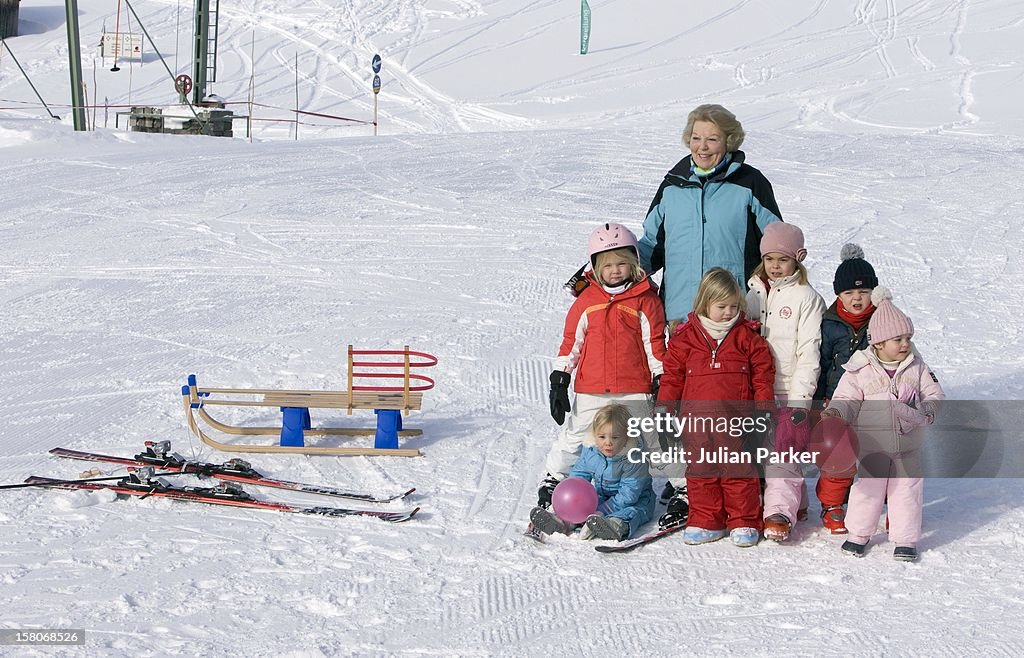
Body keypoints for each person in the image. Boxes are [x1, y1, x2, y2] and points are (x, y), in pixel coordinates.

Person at [539, 223, 666, 508]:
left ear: (634, 262)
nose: (615, 271)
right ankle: (554, 478)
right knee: (574, 434)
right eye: (608, 265)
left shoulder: (646, 299)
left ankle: (682, 487)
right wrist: (560, 379)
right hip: (592, 387)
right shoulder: (586, 300)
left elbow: (655, 344)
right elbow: (572, 342)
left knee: (656, 435)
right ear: (595, 266)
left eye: (622, 263)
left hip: (635, 385)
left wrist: (661, 379)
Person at [823, 288, 944, 562]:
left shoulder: (917, 367)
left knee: (906, 493)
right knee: (867, 490)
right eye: (897, 339)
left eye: (907, 338)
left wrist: (925, 411)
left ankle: (905, 539)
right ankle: (858, 534)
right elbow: (846, 397)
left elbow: (936, 395)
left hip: (908, 446)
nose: (905, 344)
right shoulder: (860, 368)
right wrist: (836, 414)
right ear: (877, 343)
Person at [656, 268, 775, 547]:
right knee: (701, 473)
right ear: (704, 304)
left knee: (738, 472)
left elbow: (762, 376)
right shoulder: (685, 340)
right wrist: (664, 412)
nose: (727, 312)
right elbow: (672, 378)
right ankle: (706, 520)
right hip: (696, 424)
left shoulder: (747, 338)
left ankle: (743, 520)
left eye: (734, 306)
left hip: (736, 422)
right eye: (721, 307)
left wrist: (764, 411)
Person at [637, 104, 783, 326]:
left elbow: (777, 243)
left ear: (729, 141)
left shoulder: (750, 184)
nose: (702, 147)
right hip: (680, 314)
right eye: (696, 138)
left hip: (732, 312)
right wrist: (613, 264)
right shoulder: (672, 185)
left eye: (712, 139)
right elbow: (651, 245)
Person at [745, 223, 826, 542]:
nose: (775, 266)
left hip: (789, 387)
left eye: (783, 259)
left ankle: (779, 510)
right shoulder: (752, 293)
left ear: (797, 260)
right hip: (757, 388)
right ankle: (797, 503)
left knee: (783, 451)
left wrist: (799, 401)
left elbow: (810, 352)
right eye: (770, 259)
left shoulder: (806, 297)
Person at [813, 244, 880, 534]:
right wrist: (818, 401)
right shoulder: (829, 324)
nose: (857, 299)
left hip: (873, 401)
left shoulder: (882, 322)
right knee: (837, 455)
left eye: (863, 292)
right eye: (849, 293)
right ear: (838, 294)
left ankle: (873, 501)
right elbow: (822, 362)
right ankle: (832, 505)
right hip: (837, 401)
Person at [530, 404, 656, 540]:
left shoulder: (633, 459)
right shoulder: (592, 451)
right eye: (602, 437)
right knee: (581, 505)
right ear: (595, 435)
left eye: (615, 438)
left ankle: (616, 526)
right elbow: (579, 476)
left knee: (632, 512)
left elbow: (629, 494)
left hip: (638, 500)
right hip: (602, 495)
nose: (608, 443)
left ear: (626, 436)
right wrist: (574, 501)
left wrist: (603, 510)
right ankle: (562, 522)